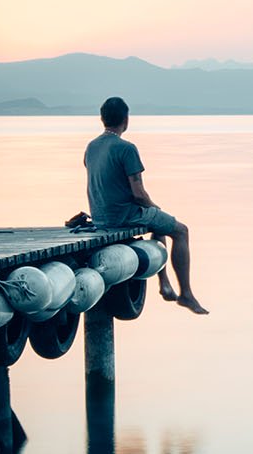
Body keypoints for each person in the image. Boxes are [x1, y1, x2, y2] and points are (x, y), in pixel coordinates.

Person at [84, 96, 208, 315]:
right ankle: (186, 294)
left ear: (102, 119)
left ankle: (165, 283)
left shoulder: (91, 147)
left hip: (100, 215)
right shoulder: (126, 148)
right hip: (124, 215)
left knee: (158, 222)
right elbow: (138, 193)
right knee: (180, 231)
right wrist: (153, 207)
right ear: (126, 119)